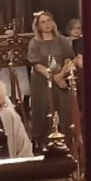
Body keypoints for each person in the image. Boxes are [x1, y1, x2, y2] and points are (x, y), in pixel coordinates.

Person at [28, 11, 75, 150]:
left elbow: (68, 58)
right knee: (44, 110)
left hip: (62, 79)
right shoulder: (34, 42)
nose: (47, 24)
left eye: (49, 20)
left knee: (64, 110)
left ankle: (66, 142)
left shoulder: (61, 40)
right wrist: (54, 78)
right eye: (43, 22)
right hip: (42, 82)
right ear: (38, 25)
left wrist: (61, 75)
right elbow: (36, 64)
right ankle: (42, 143)